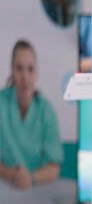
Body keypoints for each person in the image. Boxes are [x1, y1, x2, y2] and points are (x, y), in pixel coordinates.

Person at [0, 40, 63, 191]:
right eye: (19, 68)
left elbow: (54, 167)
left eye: (30, 69)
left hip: (37, 192)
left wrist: (31, 177)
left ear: (37, 72)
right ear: (12, 70)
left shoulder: (46, 112)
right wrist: (10, 175)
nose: (25, 76)